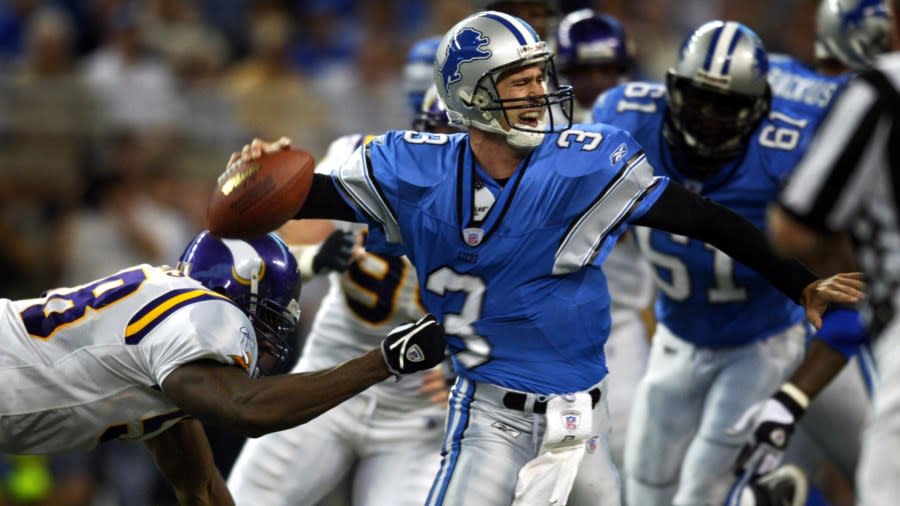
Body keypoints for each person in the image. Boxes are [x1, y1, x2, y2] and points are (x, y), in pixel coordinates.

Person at [223, 12, 862, 506]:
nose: (540, 92)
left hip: (580, 414)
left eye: (539, 76)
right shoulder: (412, 168)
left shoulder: (584, 160)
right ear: (471, 95)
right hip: (487, 412)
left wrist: (799, 284)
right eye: (519, 81)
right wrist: (255, 182)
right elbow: (311, 195)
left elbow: (702, 217)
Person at [590, 19, 863, 506]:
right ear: (673, 88)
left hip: (762, 341)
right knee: (643, 488)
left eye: (728, 105)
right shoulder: (626, 120)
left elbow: (844, 268)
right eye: (698, 97)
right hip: (676, 337)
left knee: (702, 491)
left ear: (759, 108)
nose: (709, 117)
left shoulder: (786, 152)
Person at [0, 230, 447, 505]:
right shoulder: (207, 315)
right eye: (270, 317)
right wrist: (383, 360)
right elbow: (247, 409)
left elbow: (202, 491)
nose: (270, 338)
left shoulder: (168, 352)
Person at [227, 85, 458, 506]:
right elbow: (266, 252)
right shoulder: (364, 161)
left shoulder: (518, 203)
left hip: (419, 417)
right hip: (328, 381)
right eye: (447, 140)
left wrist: (475, 364)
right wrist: (313, 255)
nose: (455, 161)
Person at [727, 2, 893, 502]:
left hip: (751, 323)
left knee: (761, 473)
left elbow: (791, 230)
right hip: (826, 321)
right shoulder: (871, 98)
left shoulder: (770, 75)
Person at [555, 8, 655, 473]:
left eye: (606, 71)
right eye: (584, 71)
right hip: (549, 328)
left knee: (634, 458)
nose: (597, 84)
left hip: (622, 326)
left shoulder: (647, 134)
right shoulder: (535, 134)